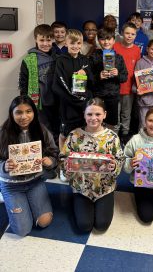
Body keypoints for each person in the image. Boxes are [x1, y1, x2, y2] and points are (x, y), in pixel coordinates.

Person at [61, 97, 124, 232]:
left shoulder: (112, 137)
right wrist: (66, 166)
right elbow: (63, 158)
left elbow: (120, 159)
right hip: (81, 187)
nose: (93, 118)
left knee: (101, 225)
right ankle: (78, 201)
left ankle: (101, 202)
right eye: (89, 114)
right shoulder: (74, 135)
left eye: (98, 114)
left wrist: (115, 166)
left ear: (105, 115)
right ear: (84, 114)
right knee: (84, 226)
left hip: (104, 188)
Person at [0, 96, 59, 237]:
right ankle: (7, 198)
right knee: (22, 230)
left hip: (35, 182)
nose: (24, 116)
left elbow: (54, 153)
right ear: (11, 113)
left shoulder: (41, 129)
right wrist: (4, 167)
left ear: (34, 112)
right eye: (19, 112)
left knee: (44, 221)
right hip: (11, 185)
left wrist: (50, 162)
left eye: (28, 111)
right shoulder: (3, 133)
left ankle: (24, 204)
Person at [52, 29, 93, 151]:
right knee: (65, 133)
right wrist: (75, 99)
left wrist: (85, 73)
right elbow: (59, 84)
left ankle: (80, 156)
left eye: (78, 43)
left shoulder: (85, 60)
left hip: (83, 104)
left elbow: (91, 81)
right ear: (66, 43)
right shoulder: (61, 60)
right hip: (68, 105)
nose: (75, 46)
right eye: (72, 43)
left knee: (82, 132)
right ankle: (63, 158)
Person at [19, 24, 60, 144]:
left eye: (48, 40)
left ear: (53, 39)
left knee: (57, 128)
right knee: (43, 129)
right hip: (40, 103)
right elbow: (23, 82)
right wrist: (25, 101)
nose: (45, 43)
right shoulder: (29, 59)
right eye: (42, 40)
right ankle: (46, 152)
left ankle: (56, 154)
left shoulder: (58, 57)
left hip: (57, 100)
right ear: (35, 39)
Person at [90, 27, 128, 131]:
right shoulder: (93, 56)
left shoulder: (119, 57)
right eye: (102, 39)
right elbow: (88, 79)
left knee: (112, 123)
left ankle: (111, 143)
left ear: (114, 40)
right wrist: (99, 76)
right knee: (96, 120)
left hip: (113, 96)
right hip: (98, 96)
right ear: (98, 40)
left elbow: (125, 77)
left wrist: (117, 74)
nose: (106, 41)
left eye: (109, 38)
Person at [114, 22, 141, 144]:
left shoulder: (136, 50)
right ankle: (114, 135)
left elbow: (139, 69)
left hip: (129, 88)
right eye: (127, 33)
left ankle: (125, 135)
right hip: (114, 87)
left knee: (126, 113)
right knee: (115, 113)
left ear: (136, 35)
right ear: (122, 33)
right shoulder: (115, 47)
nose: (129, 36)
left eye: (132, 34)